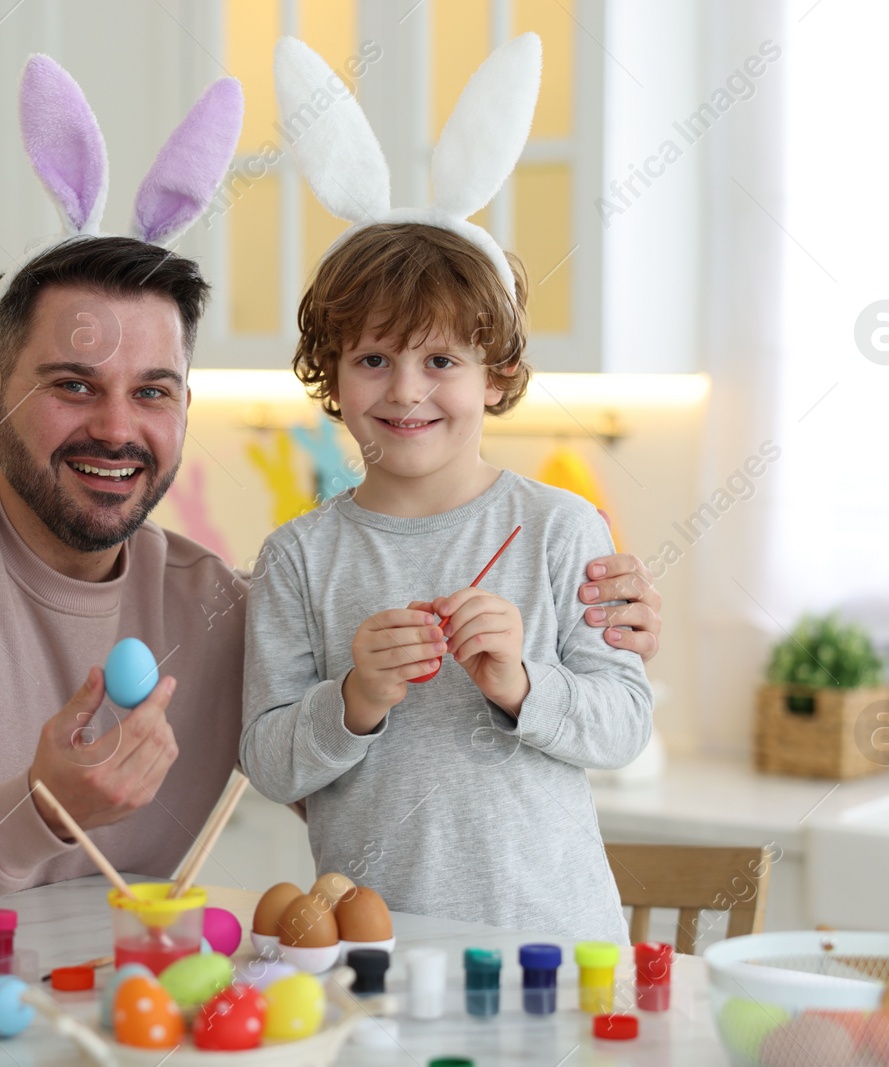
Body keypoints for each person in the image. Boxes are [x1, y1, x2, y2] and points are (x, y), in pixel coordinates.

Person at [0, 55, 663, 979]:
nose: (117, 427)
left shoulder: (212, 606)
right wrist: (36, 806)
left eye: (155, 390)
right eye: (74, 384)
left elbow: (375, 762)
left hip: (35, 1017)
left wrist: (591, 641)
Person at [239, 34, 650, 940]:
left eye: (442, 359)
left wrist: (521, 683)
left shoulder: (559, 527)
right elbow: (267, 759)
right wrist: (354, 698)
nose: (407, 389)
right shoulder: (300, 557)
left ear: (496, 375)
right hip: (370, 959)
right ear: (332, 377)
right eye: (373, 357)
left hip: (554, 950)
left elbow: (623, 722)